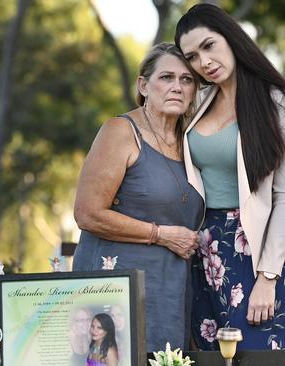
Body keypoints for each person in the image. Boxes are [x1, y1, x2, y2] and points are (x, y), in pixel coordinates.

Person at [174, 4, 285, 350]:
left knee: (264, 355)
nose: (203, 62)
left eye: (209, 45)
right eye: (191, 56)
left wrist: (267, 278)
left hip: (258, 252)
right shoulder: (199, 102)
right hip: (205, 254)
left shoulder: (280, 103)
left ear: (231, 37)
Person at [72, 42, 205, 351]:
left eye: (187, 80)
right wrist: (160, 235)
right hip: (117, 288)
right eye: (166, 78)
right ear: (143, 85)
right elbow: (87, 213)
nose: (177, 87)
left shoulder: (191, 142)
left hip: (171, 289)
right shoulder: (120, 131)